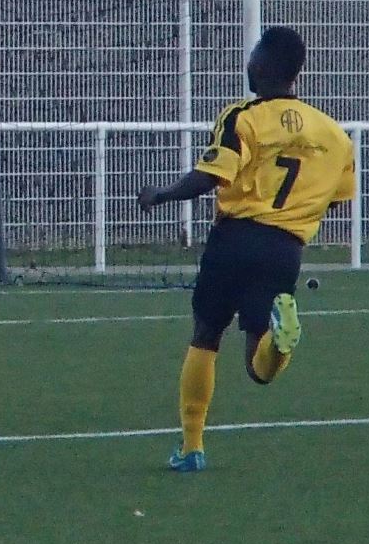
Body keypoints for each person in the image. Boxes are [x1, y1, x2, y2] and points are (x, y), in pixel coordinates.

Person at [137, 26, 355, 473]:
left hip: (235, 239)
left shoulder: (243, 117)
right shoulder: (334, 134)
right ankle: (279, 342)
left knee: (206, 333)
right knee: (259, 367)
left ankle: (192, 447)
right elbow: (338, 196)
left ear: (261, 64)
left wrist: (161, 194)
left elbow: (210, 175)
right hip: (285, 248)